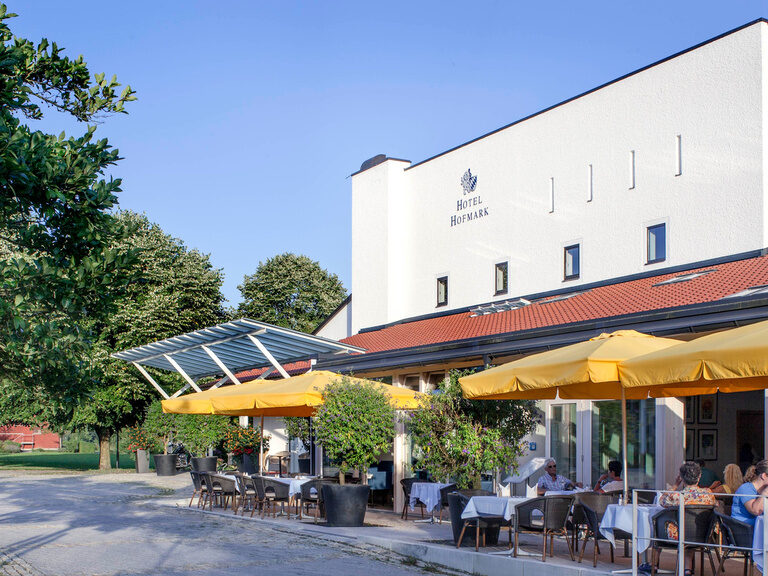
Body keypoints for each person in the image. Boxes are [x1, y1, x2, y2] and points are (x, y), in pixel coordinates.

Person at [656, 461, 716, 576]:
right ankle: (687, 569)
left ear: (682, 478)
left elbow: (662, 500)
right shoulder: (708, 494)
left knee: (662, 526)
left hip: (680, 535)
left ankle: (653, 564)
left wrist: (675, 485)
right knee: (690, 531)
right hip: (702, 534)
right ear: (699, 477)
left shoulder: (677, 496)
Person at [731, 459, 768, 527]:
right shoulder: (745, 488)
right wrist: (765, 492)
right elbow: (756, 511)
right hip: (743, 530)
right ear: (764, 476)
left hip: (759, 528)